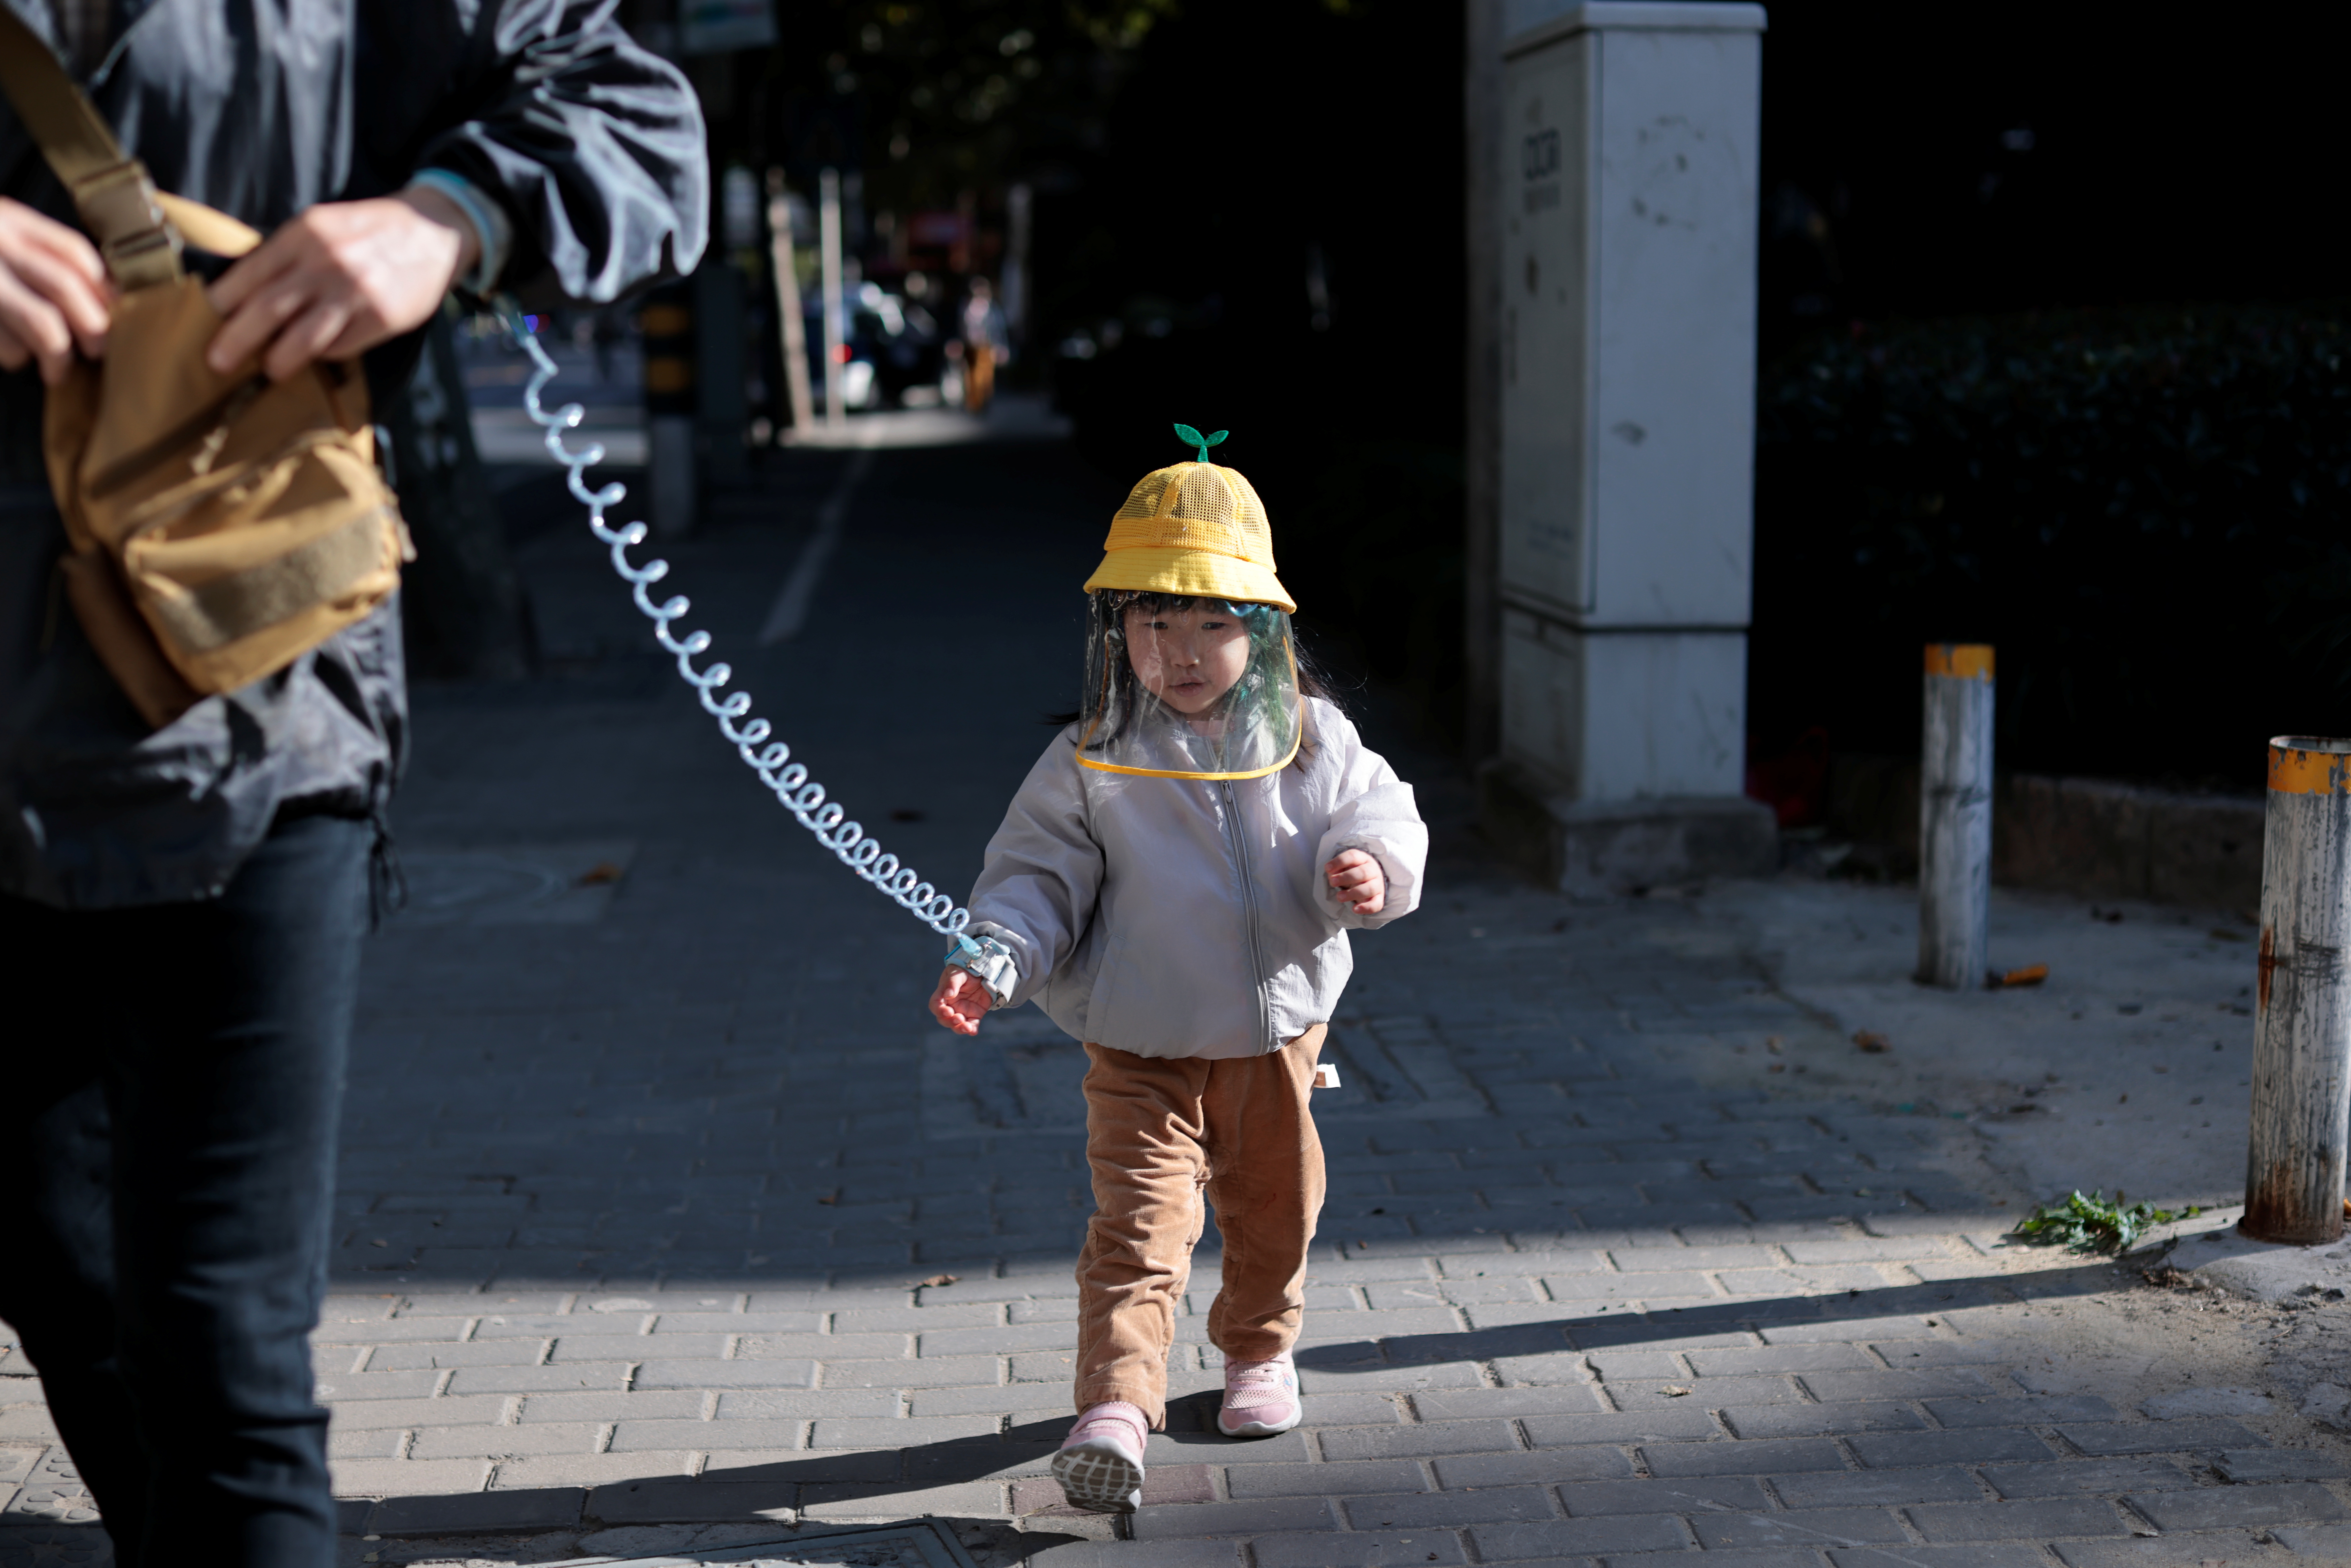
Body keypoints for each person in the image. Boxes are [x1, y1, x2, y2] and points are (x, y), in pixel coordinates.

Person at [0, 5, 705, 1565]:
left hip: (253, 702)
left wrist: (450, 216)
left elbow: (637, 116)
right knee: (62, 1275)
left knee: (220, 1338)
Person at [925, 440, 1428, 1514]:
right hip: (1140, 1041)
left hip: (1275, 1036)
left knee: (1275, 1207)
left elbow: (1384, 815)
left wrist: (1369, 869)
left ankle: (1257, 1354)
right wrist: (994, 953)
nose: (1181, 649)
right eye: (1154, 622)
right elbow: (1035, 879)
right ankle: (1116, 1406)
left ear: (1264, 630)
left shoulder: (1312, 740)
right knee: (1139, 1227)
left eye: (1211, 621)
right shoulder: (1094, 757)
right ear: (1121, 632)